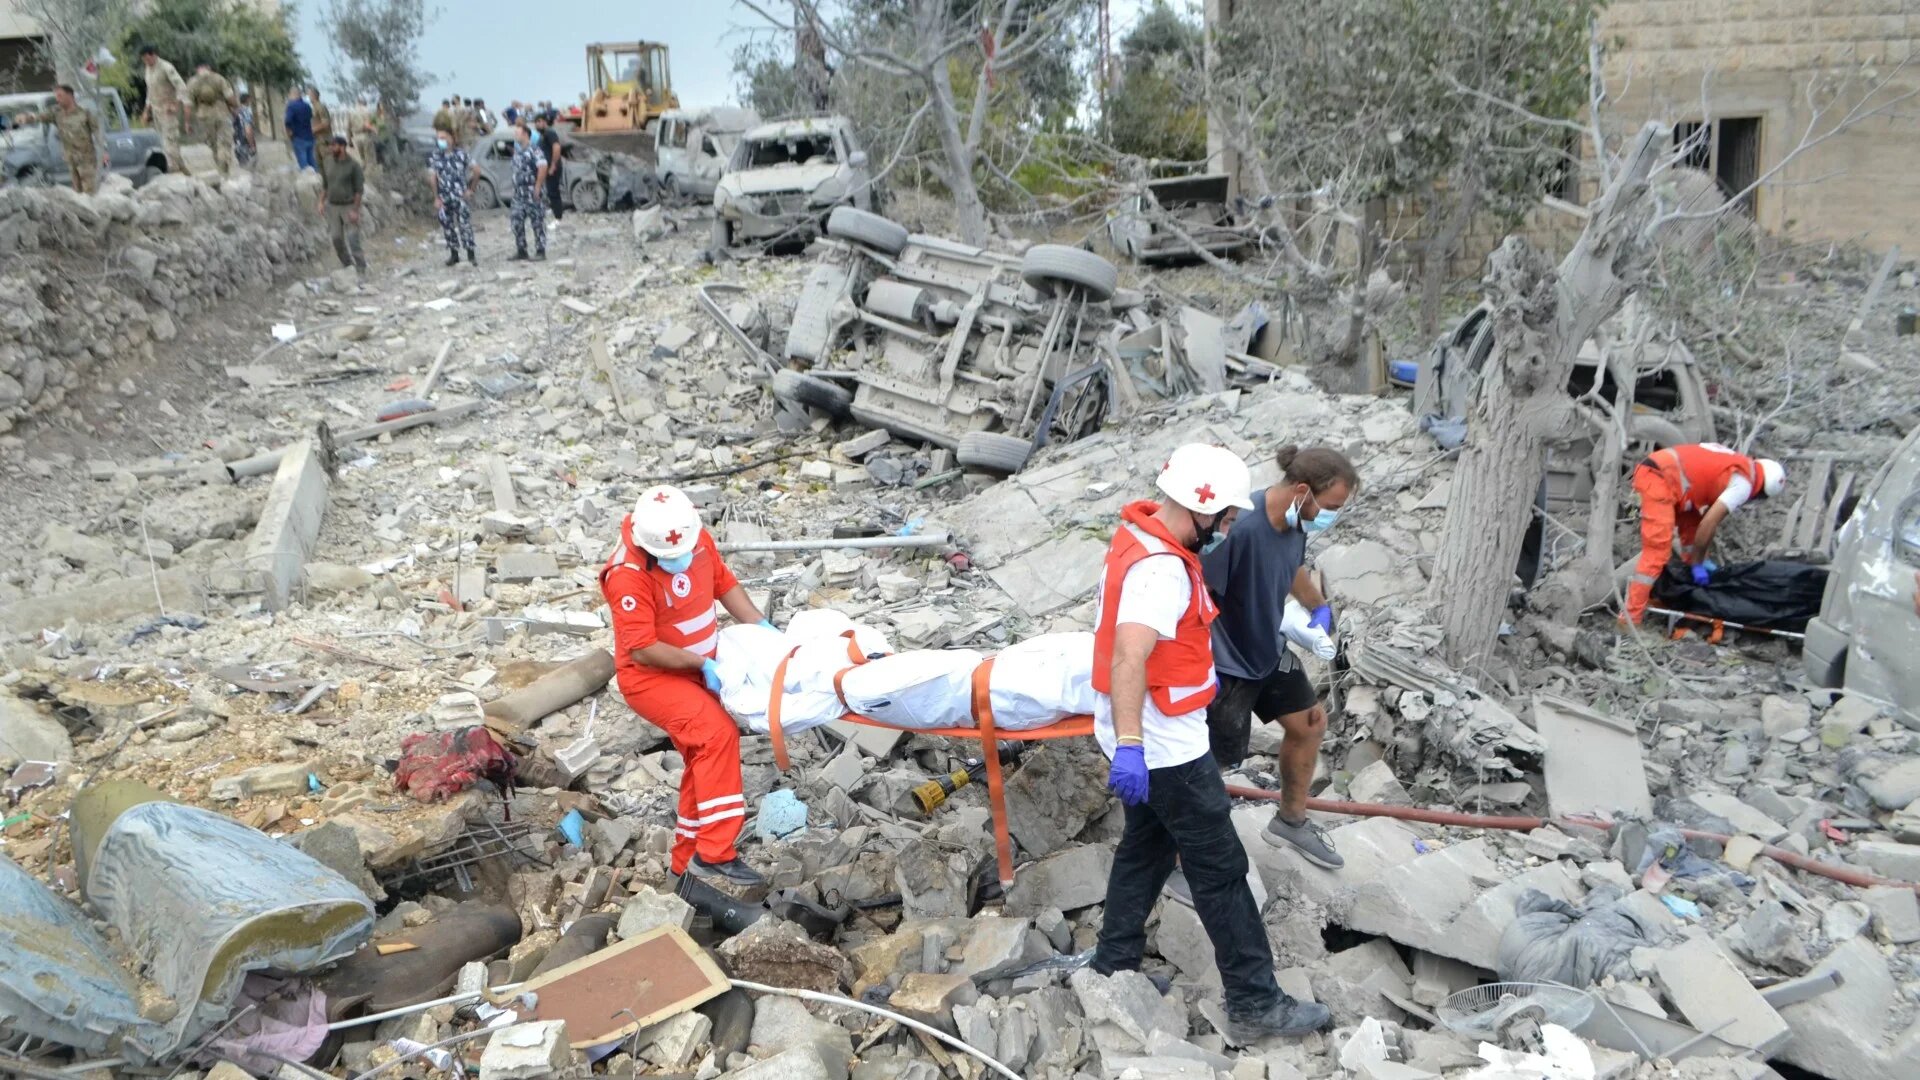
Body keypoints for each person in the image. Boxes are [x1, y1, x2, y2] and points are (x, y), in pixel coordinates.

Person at [1090, 444, 1333, 1046]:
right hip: (1163, 746)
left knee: (1146, 846)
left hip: (1156, 735)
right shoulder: (1161, 571)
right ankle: (1255, 1001)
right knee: (1221, 869)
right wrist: (1130, 745)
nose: (1229, 526)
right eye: (1222, 518)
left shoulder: (1140, 539)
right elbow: (1128, 657)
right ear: (1196, 508)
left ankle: (1113, 962)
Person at [600, 484, 772, 887]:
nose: (679, 558)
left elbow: (724, 583)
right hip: (652, 678)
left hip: (696, 667)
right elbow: (641, 649)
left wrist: (761, 626)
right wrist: (702, 664)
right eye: (668, 556)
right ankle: (716, 854)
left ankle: (686, 861)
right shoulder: (627, 576)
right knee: (716, 736)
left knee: (703, 756)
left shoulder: (694, 538)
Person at [1202, 445, 1357, 871]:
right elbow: (1200, 592)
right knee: (1208, 764)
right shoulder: (1240, 526)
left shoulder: (1295, 520)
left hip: (1265, 649)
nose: (1333, 515)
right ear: (1303, 491)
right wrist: (1199, 666)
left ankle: (1291, 820)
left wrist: (1317, 606)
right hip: (1225, 661)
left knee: (1310, 722)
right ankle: (1185, 861)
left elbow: (1290, 568)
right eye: (1331, 506)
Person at [1625, 443, 1785, 624]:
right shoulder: (1743, 485)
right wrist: (1698, 564)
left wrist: (1701, 558)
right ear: (1761, 492)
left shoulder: (1738, 462)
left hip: (1673, 476)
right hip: (1659, 478)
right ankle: (1629, 620)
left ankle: (1686, 579)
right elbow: (1709, 522)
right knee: (1657, 552)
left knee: (1692, 527)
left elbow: (1705, 515)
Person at [21, 84, 104, 194]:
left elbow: (98, 133)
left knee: (89, 192)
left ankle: (95, 210)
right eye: (56, 96)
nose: (57, 99)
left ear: (70, 96)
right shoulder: (56, 113)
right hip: (71, 159)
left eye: (60, 96)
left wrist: (103, 151)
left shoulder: (84, 113)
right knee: (77, 192)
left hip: (86, 159)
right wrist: (26, 118)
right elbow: (40, 116)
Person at [426, 121, 479, 266]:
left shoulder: (461, 155)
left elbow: (477, 171)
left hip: (460, 196)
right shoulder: (435, 156)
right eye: (438, 138)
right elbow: (432, 177)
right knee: (447, 226)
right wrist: (436, 197)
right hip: (444, 197)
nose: (441, 141)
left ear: (452, 138)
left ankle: (470, 255)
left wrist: (471, 189)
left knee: (464, 225)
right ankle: (454, 254)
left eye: (443, 137)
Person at [317, 135, 367, 281]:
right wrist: (321, 202)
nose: (331, 148)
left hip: (349, 205)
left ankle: (361, 267)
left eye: (334, 146)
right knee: (336, 238)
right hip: (333, 206)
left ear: (343, 147)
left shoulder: (353, 166)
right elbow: (326, 186)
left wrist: (355, 210)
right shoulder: (328, 162)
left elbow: (359, 190)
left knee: (353, 238)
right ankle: (347, 265)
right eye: (331, 145)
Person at [138, 45, 188, 173]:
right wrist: (146, 110)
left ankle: (174, 170)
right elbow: (150, 90)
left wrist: (176, 104)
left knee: (170, 142)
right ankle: (182, 169)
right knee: (162, 142)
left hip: (167, 110)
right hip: (156, 111)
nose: (146, 62)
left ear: (153, 55)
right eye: (144, 60)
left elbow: (181, 86)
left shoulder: (166, 67)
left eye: (147, 59)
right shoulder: (148, 69)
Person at [184, 62, 238, 177]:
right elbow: (230, 97)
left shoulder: (192, 82)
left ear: (197, 68)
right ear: (209, 67)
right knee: (224, 143)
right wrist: (235, 106)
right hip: (222, 113)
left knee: (213, 145)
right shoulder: (219, 79)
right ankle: (224, 171)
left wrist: (187, 122)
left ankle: (220, 168)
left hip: (204, 116)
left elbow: (188, 105)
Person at [508, 123, 549, 261]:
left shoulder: (534, 150)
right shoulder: (518, 152)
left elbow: (542, 167)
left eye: (517, 132)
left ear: (525, 133)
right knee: (516, 221)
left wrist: (537, 186)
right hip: (519, 195)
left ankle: (540, 251)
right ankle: (521, 250)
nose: (515, 135)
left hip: (532, 192)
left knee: (537, 222)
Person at [533, 111, 564, 221]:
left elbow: (556, 148)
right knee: (550, 192)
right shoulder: (542, 135)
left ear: (544, 122)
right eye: (535, 122)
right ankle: (555, 212)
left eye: (538, 122)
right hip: (547, 167)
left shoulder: (550, 133)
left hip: (552, 167)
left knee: (553, 192)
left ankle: (558, 218)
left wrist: (553, 165)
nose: (536, 125)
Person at [284, 88, 315, 170]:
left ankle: (307, 180)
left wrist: (289, 134)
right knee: (311, 160)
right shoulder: (307, 106)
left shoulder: (291, 106)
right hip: (309, 137)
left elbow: (287, 121)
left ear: (293, 94)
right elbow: (311, 118)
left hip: (298, 137)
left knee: (303, 163)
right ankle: (316, 178)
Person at [233, 92, 257, 169]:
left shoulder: (237, 112)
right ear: (248, 100)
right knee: (250, 171)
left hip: (238, 144)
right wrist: (252, 145)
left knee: (243, 171)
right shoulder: (246, 112)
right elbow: (248, 130)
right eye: (250, 100)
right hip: (246, 144)